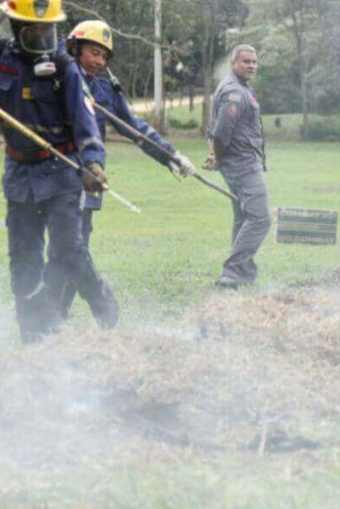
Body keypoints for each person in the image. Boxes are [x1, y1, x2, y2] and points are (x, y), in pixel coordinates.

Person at [0, 0, 112, 341]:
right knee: (23, 265)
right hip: (19, 175)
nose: (42, 38)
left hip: (61, 173)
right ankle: (35, 340)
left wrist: (93, 164)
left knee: (69, 251)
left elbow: (86, 124)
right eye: (33, 30)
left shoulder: (65, 68)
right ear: (16, 25)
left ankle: (102, 303)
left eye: (48, 30)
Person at [55, 20, 195, 321]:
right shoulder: (55, 76)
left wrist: (171, 156)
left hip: (88, 179)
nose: (99, 61)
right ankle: (85, 309)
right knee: (65, 250)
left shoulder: (104, 91)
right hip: (51, 177)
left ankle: (59, 317)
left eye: (104, 56)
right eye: (94, 52)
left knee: (74, 249)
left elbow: (136, 129)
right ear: (75, 48)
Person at [204, 45, 271, 289]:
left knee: (244, 216)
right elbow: (221, 133)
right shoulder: (235, 92)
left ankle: (244, 272)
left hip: (237, 162)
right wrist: (217, 155)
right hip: (242, 165)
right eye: (246, 61)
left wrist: (215, 155)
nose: (251, 65)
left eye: (254, 61)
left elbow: (214, 128)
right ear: (235, 63)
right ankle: (232, 273)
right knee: (261, 218)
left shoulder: (236, 88)